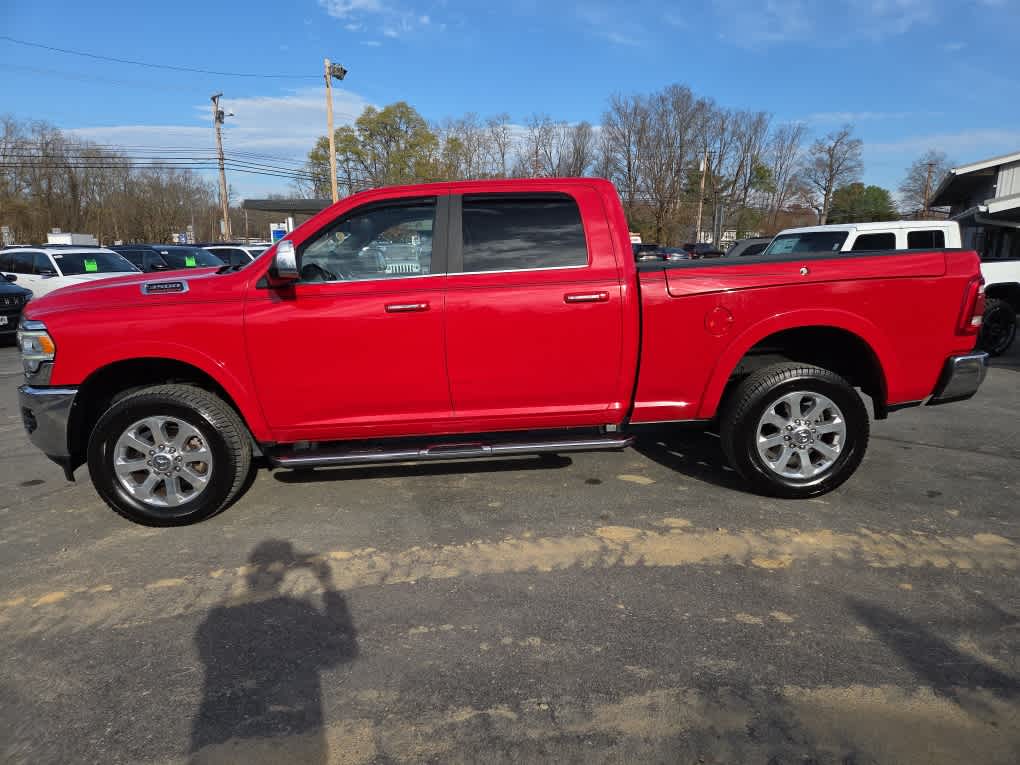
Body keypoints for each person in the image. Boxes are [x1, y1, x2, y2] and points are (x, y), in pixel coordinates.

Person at [189, 540, 357, 764]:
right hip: (294, 730)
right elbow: (344, 649)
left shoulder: (219, 617)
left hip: (231, 736)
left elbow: (205, 649)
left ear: (253, 571)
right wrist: (327, 583)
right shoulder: (298, 612)